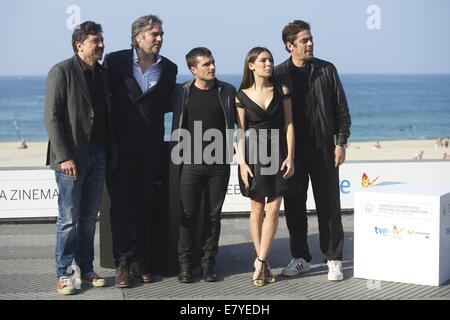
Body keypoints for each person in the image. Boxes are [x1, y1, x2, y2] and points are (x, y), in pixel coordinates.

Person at [103, 15, 177, 288]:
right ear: (138, 37)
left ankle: (141, 261)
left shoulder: (169, 68)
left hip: (151, 149)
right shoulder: (115, 61)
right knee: (121, 207)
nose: (159, 38)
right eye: (154, 34)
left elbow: (168, 103)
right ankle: (123, 263)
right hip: (120, 148)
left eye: (161, 34)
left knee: (145, 206)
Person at [275, 20, 351, 281]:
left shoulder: (326, 70)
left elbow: (342, 110)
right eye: (304, 40)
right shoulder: (278, 74)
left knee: (329, 206)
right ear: (289, 46)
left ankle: (334, 259)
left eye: (311, 39)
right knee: (295, 207)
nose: (310, 44)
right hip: (291, 153)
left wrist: (340, 143)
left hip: (324, 149)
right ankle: (300, 259)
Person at [45, 21, 115, 295]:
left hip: (99, 154)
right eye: (95, 41)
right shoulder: (61, 71)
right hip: (71, 158)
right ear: (80, 45)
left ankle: (86, 269)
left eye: (101, 40)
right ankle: (64, 274)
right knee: (69, 219)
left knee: (88, 218)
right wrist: (64, 156)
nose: (100, 45)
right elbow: (52, 117)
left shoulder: (103, 73)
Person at [170, 47, 236, 283]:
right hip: (190, 164)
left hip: (219, 164)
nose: (212, 67)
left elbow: (245, 118)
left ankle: (208, 264)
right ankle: (185, 266)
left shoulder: (227, 91)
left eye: (213, 62)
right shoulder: (182, 92)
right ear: (193, 69)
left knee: (213, 216)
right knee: (188, 215)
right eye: (206, 64)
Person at [236, 47, 295, 286]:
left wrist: (290, 156)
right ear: (251, 65)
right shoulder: (240, 96)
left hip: (279, 151)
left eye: (270, 60)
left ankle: (260, 261)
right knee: (257, 208)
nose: (268, 63)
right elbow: (239, 132)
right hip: (254, 154)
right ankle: (264, 261)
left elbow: (290, 124)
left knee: (273, 209)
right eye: (263, 60)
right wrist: (241, 163)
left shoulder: (282, 91)